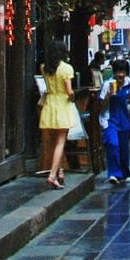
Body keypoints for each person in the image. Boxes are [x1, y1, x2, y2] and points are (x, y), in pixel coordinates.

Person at [98, 59, 130, 185]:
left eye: (123, 72)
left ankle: (124, 172)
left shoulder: (128, 84)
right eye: (118, 72)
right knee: (113, 144)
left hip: (123, 120)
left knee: (123, 148)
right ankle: (114, 173)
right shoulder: (108, 84)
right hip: (109, 119)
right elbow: (101, 104)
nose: (121, 75)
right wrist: (108, 96)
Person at [38, 41, 77, 189]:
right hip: (62, 104)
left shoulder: (44, 68)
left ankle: (59, 172)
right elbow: (69, 91)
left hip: (50, 104)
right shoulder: (66, 69)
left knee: (55, 141)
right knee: (61, 142)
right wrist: (73, 96)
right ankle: (52, 175)